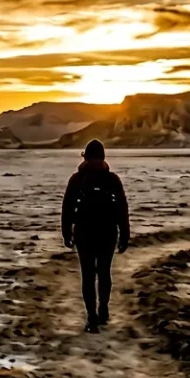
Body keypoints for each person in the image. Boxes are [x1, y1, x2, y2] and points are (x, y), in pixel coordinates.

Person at [61, 139, 130, 333]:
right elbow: (122, 209)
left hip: (84, 232)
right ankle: (103, 310)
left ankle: (91, 316)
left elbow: (67, 208)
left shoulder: (77, 179)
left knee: (88, 275)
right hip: (108, 232)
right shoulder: (112, 179)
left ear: (86, 156)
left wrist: (66, 233)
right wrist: (124, 234)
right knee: (104, 272)